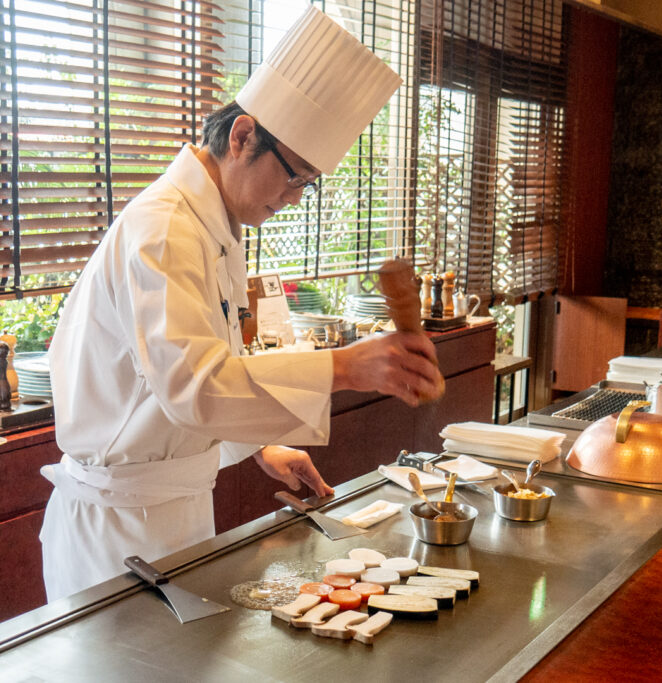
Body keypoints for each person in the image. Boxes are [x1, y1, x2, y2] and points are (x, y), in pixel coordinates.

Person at [39, 5, 442, 602]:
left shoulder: (218, 226)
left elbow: (193, 377)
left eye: (309, 184)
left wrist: (257, 446)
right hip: (115, 533)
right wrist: (347, 365)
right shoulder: (163, 227)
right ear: (243, 135)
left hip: (173, 511)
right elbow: (193, 388)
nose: (296, 198)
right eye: (294, 177)